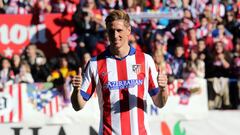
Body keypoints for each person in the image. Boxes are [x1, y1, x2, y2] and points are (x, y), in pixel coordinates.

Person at [71, 10, 168, 135]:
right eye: (111, 31)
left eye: (119, 30)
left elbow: (159, 102)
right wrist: (76, 91)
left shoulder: (145, 60)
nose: (115, 35)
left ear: (129, 30)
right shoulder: (95, 64)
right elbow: (78, 106)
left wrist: (164, 89)